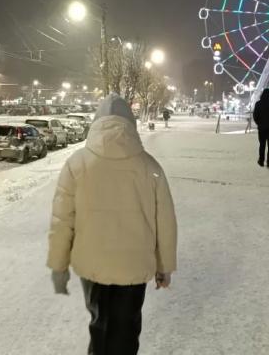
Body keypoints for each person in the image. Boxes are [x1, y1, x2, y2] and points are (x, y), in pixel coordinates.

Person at [47, 94, 178, 355]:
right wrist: (164, 267)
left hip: (92, 264)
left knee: (100, 323)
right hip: (134, 265)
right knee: (127, 328)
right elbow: (166, 222)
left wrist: (59, 265)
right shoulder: (150, 167)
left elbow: (62, 221)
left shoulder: (77, 164)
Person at [251, 88, 269, 168]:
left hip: (262, 127)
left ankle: (261, 160)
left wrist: (259, 123)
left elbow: (255, 115)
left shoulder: (258, 104)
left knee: (262, 145)